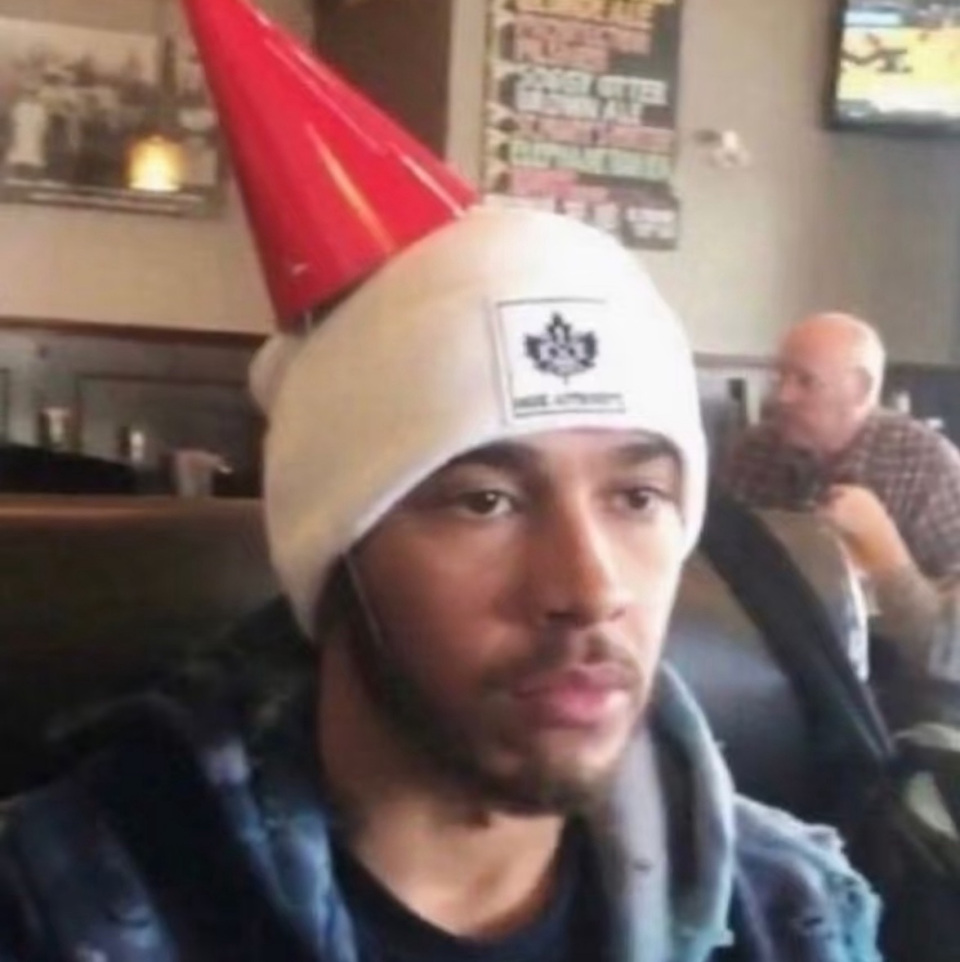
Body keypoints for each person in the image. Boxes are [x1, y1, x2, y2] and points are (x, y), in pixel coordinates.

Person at [0, 1, 881, 959]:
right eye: (486, 502)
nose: (590, 589)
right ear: (338, 549)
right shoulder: (60, 907)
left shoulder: (794, 912)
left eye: (636, 498)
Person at [720, 312, 960, 681]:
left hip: (895, 682)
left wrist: (884, 552)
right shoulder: (754, 452)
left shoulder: (928, 466)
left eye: (805, 381)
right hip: (769, 664)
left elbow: (950, 654)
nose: (782, 396)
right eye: (779, 377)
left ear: (861, 389)